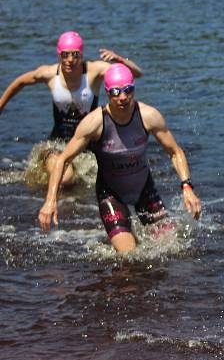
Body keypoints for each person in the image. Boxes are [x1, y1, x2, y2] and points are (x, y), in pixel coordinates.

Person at [37, 64, 201, 253]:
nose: (122, 97)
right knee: (129, 257)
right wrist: (50, 201)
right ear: (107, 93)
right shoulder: (94, 123)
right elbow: (63, 160)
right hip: (111, 194)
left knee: (173, 248)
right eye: (116, 92)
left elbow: (175, 152)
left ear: (133, 89)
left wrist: (187, 187)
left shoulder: (149, 116)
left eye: (127, 91)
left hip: (143, 188)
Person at [0, 31, 143, 185]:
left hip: (88, 146)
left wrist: (120, 60)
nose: (70, 60)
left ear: (81, 55)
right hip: (57, 144)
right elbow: (19, 82)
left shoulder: (93, 71)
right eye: (65, 55)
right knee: (66, 178)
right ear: (59, 55)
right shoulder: (49, 74)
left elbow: (136, 74)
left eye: (75, 54)